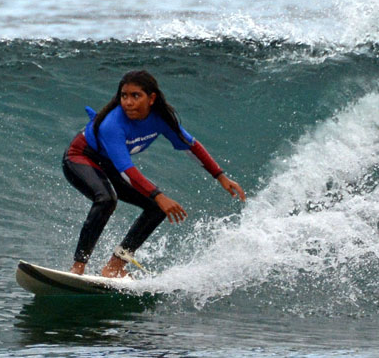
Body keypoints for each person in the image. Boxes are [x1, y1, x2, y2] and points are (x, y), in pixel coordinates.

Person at [62, 70, 246, 277]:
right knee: (106, 199)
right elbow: (126, 170)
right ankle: (78, 267)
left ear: (152, 98)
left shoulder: (161, 119)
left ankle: (115, 266)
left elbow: (191, 146)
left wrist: (220, 176)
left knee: (156, 209)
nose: (128, 102)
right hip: (81, 157)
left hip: (109, 164)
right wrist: (158, 194)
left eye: (135, 96)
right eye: (124, 96)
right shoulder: (112, 124)